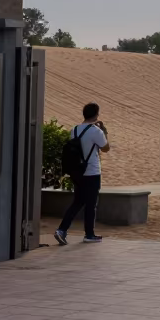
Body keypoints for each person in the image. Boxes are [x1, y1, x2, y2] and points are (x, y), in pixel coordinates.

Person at [54, 103, 110, 245]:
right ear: (96, 114)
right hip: (92, 171)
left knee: (78, 201)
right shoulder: (96, 131)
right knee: (91, 204)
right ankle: (89, 234)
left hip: (78, 171)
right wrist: (104, 131)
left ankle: (62, 230)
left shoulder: (75, 130)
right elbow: (105, 148)